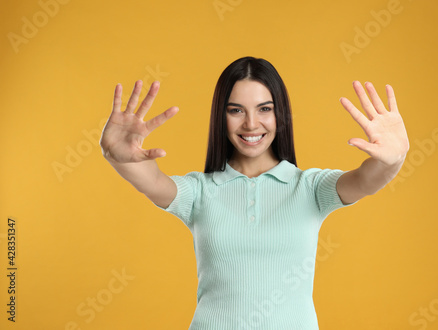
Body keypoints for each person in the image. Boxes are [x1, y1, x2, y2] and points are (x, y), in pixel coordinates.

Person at [99, 56, 409, 329]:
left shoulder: (310, 188)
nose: (251, 124)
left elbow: (367, 179)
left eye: (264, 109)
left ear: (280, 115)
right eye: (236, 110)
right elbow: (150, 180)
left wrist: (395, 157)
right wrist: (114, 151)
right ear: (221, 116)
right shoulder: (199, 192)